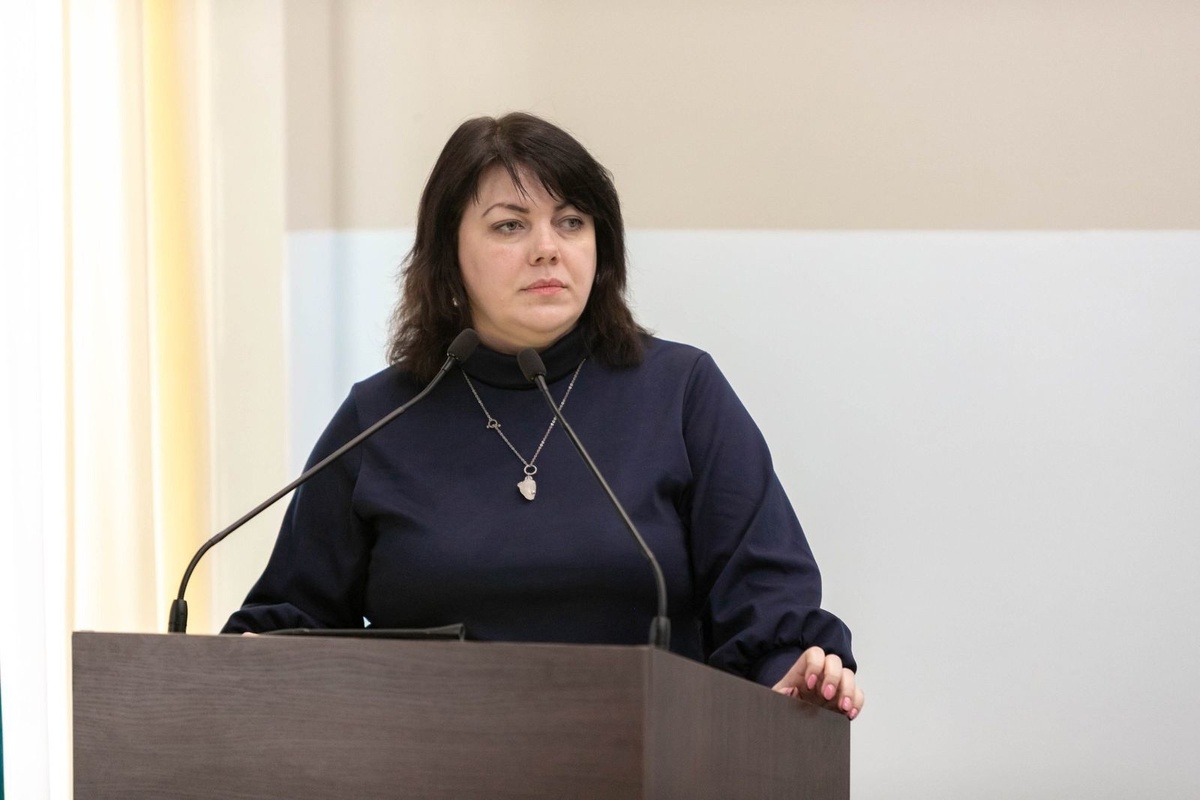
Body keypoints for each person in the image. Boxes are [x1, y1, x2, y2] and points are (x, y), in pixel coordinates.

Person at [224, 112, 864, 720]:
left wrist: (789, 670)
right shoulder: (382, 416)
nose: (547, 249)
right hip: (428, 761)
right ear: (449, 252)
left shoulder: (681, 392)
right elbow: (292, 621)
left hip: (649, 760)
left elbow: (764, 602)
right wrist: (252, 662)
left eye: (571, 221)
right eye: (510, 226)